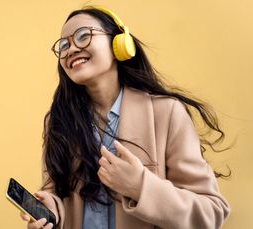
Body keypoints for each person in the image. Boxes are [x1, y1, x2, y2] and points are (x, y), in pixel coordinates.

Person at [20, 5, 230, 229]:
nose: (71, 49)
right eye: (64, 45)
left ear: (119, 44)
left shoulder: (167, 113)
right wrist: (51, 210)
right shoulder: (59, 121)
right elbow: (55, 191)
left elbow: (212, 212)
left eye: (83, 36)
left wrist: (140, 187)